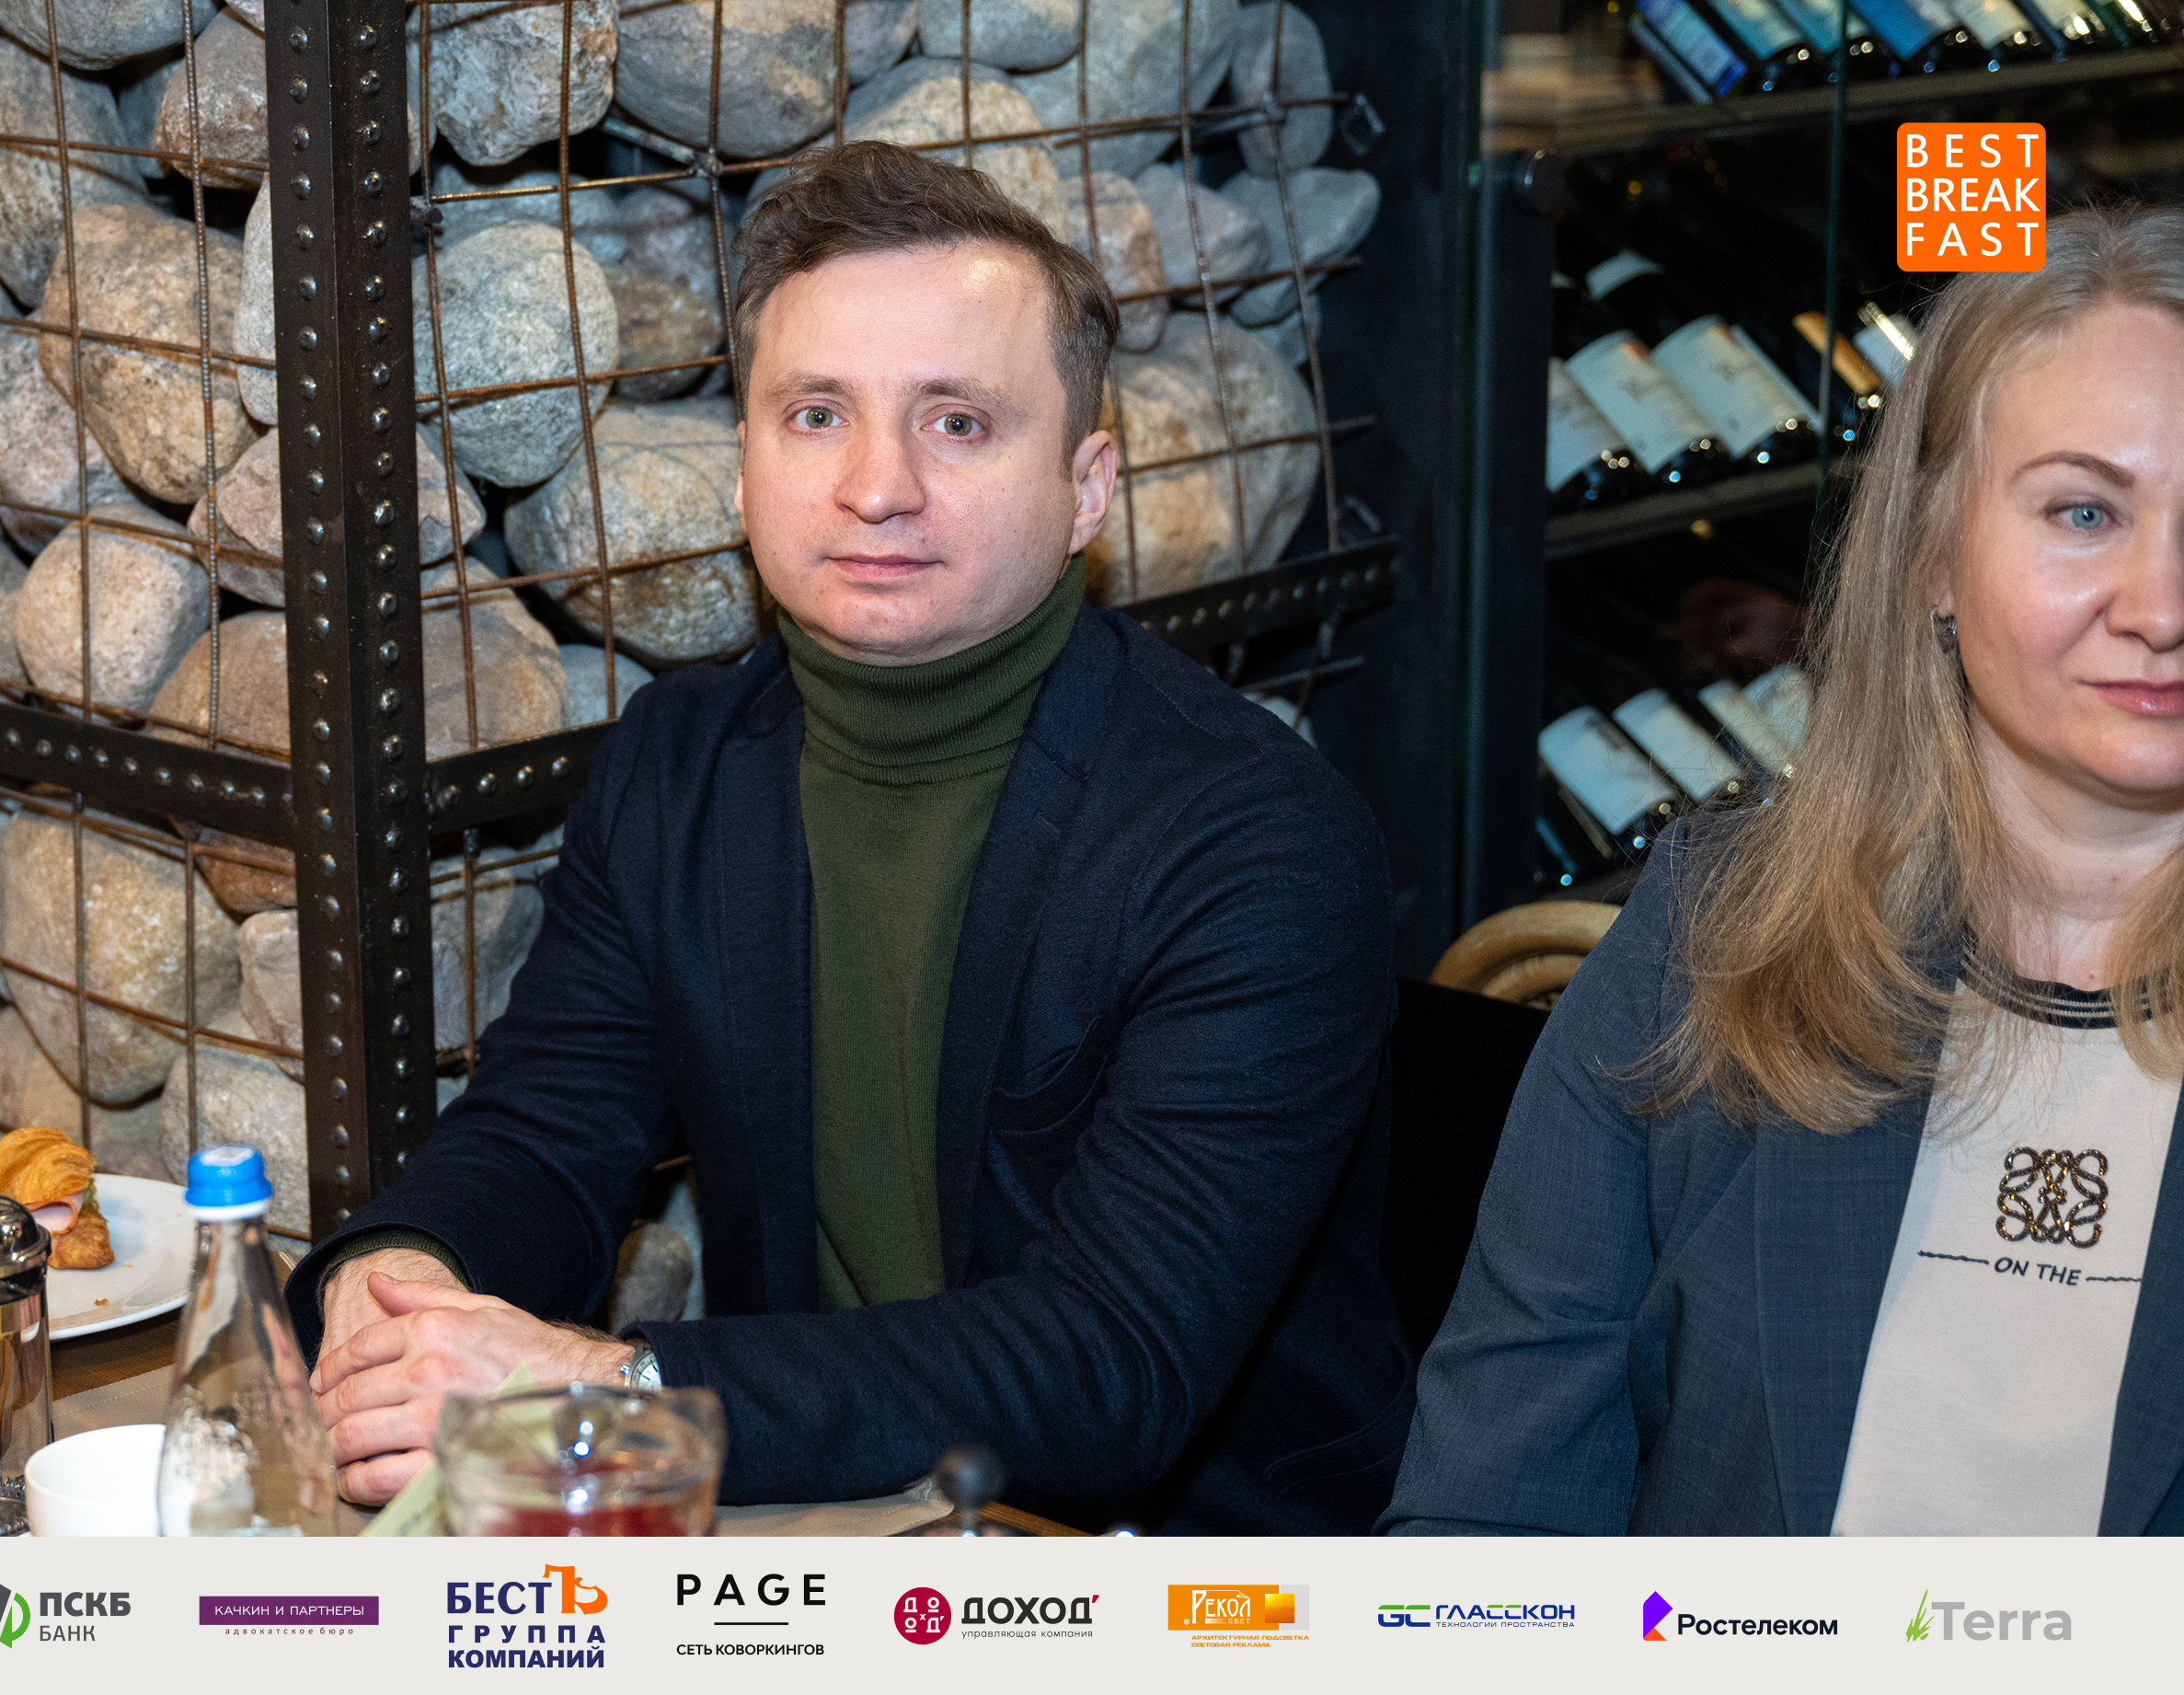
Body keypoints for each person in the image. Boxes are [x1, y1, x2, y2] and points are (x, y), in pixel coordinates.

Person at [284, 140, 1408, 1533]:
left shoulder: (1257, 841)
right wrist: (395, 1277)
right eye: (816, 414)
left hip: (1178, 1573)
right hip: (819, 1524)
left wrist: (619, 1385)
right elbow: (546, 1130)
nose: (878, 486)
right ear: (744, 465)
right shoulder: (682, 767)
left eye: (959, 422)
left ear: (1088, 488)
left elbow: (1110, 1365)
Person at [1385, 202, 2184, 1536]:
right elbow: (1489, 1516)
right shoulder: (1713, 934)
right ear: (1933, 552)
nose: (2159, 608)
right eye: (2084, 511)